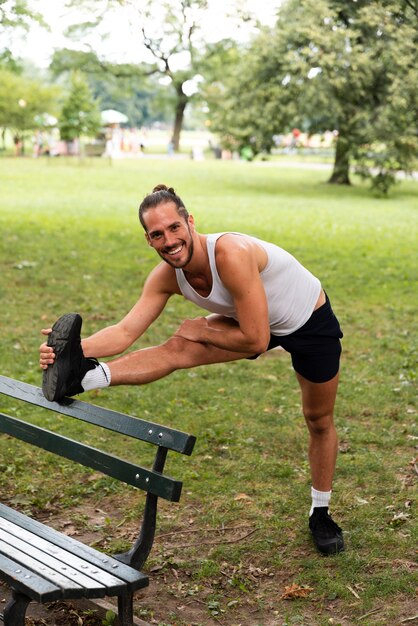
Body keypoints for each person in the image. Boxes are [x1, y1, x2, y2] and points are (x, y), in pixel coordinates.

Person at [39, 184, 344, 555]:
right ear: (148, 240)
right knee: (177, 348)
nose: (168, 240)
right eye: (157, 234)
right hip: (252, 323)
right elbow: (124, 331)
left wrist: (202, 328)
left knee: (318, 419)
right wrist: (71, 351)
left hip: (307, 322)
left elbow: (255, 340)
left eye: (174, 228)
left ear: (190, 222)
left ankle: (321, 511)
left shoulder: (230, 254)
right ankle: (82, 377)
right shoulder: (166, 276)